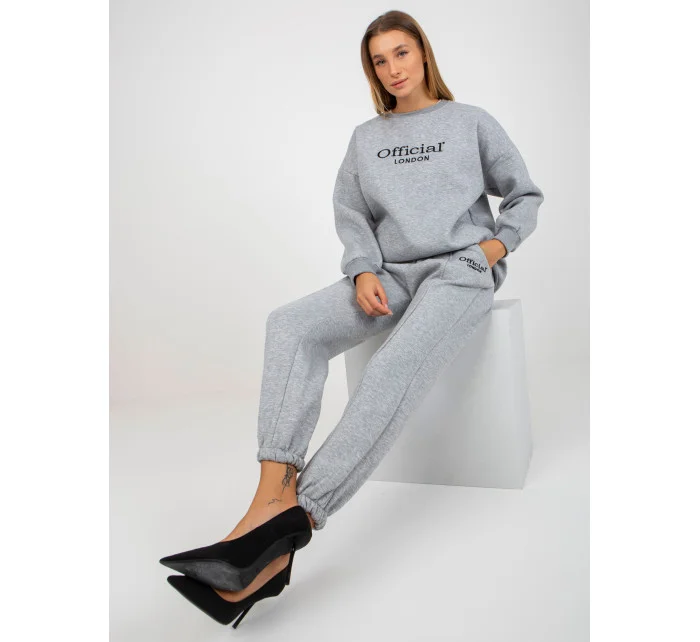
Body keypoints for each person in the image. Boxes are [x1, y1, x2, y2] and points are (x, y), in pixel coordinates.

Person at [161, 9, 544, 627]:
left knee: (392, 367)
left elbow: (523, 194)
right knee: (290, 326)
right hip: (389, 275)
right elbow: (351, 211)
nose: (392, 69)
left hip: (459, 271)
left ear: (424, 53)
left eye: (401, 53)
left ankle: (296, 520)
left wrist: (492, 250)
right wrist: (363, 269)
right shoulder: (367, 138)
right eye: (379, 60)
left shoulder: (471, 121)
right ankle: (268, 500)